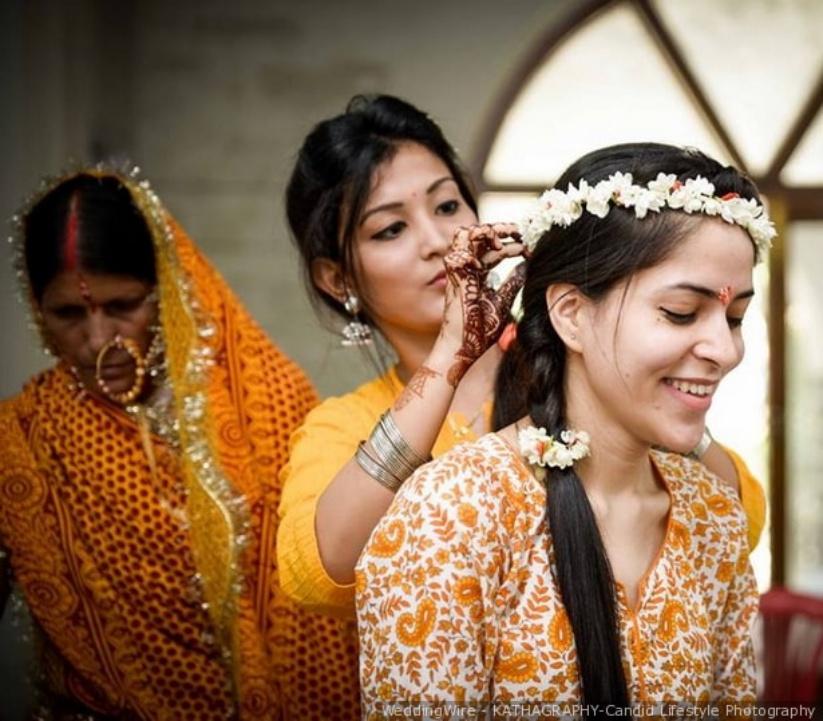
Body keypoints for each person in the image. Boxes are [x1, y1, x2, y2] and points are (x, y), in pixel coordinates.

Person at [277, 95, 766, 626]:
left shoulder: (573, 367)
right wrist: (450, 357)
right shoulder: (340, 426)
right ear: (338, 279)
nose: (438, 240)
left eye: (447, 207)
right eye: (390, 229)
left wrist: (656, 387)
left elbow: (736, 517)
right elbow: (317, 576)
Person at [355, 142, 771, 710]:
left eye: (735, 317)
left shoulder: (714, 517)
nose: (725, 350)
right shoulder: (453, 513)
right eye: (680, 312)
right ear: (571, 315)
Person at [0, 168, 357, 720]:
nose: (98, 340)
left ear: (166, 289)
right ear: (37, 309)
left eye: (123, 305)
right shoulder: (23, 439)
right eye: (68, 313)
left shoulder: (268, 398)